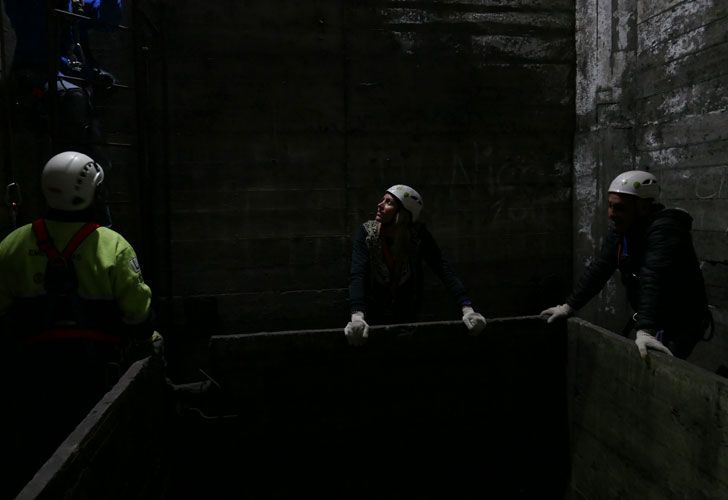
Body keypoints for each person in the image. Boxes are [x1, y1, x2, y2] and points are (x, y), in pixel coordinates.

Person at [0, 150, 153, 498]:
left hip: (30, 377)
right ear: (89, 194)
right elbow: (138, 314)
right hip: (94, 375)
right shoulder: (113, 246)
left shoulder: (12, 245)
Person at [540, 170, 711, 363]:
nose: (612, 214)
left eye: (620, 208)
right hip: (656, 315)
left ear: (644, 207)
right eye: (610, 206)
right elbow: (600, 268)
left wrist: (646, 329)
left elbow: (653, 276)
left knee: (663, 367)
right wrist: (569, 306)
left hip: (682, 320)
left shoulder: (666, 230)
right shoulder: (624, 230)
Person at [345, 184, 487, 346]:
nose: (380, 205)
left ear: (402, 214)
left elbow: (442, 268)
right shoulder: (367, 233)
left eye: (388, 202)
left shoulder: (417, 235)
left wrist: (467, 308)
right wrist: (357, 315)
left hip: (407, 312)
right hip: (373, 311)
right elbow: (358, 274)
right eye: (382, 200)